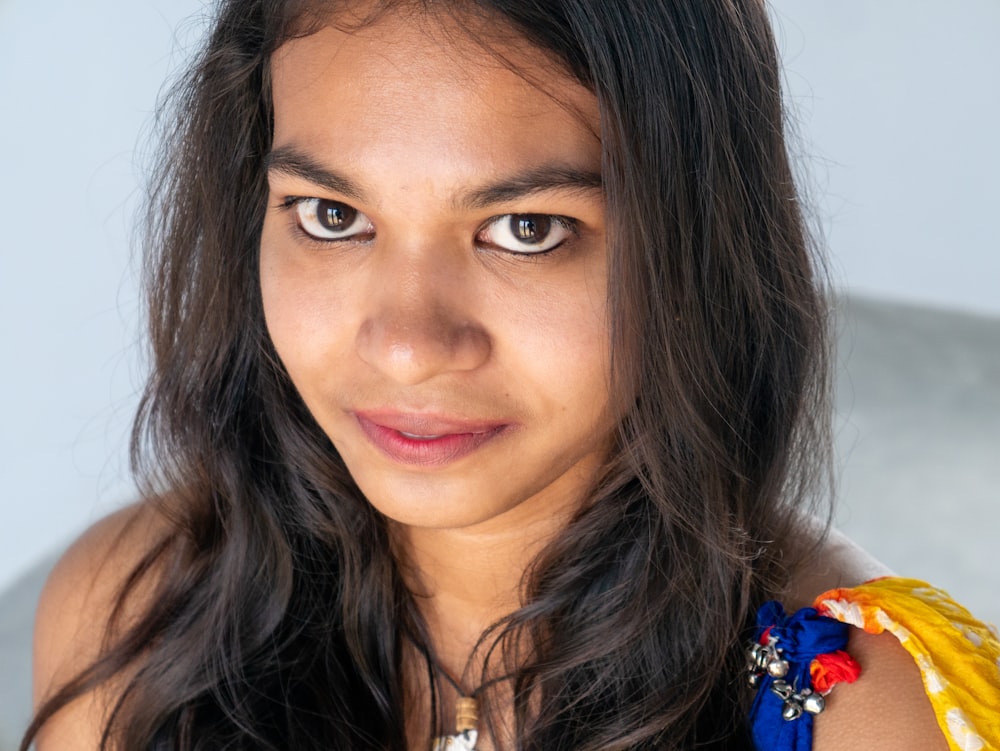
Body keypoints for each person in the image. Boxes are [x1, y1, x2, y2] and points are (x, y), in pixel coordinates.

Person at [23, 1, 1000, 749]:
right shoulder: (144, 608)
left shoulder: (861, 708)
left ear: (697, 249)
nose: (405, 343)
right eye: (330, 214)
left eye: (525, 231)